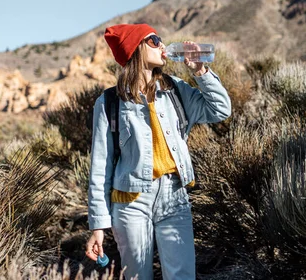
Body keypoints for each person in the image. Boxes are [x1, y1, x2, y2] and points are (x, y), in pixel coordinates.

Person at [85, 23, 231, 280]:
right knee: (137, 276)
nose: (162, 45)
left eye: (161, 40)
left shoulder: (174, 90)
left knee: (182, 275)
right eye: (153, 40)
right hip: (130, 200)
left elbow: (220, 109)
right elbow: (100, 166)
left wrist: (201, 71)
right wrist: (98, 226)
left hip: (174, 195)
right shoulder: (109, 102)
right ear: (135, 49)